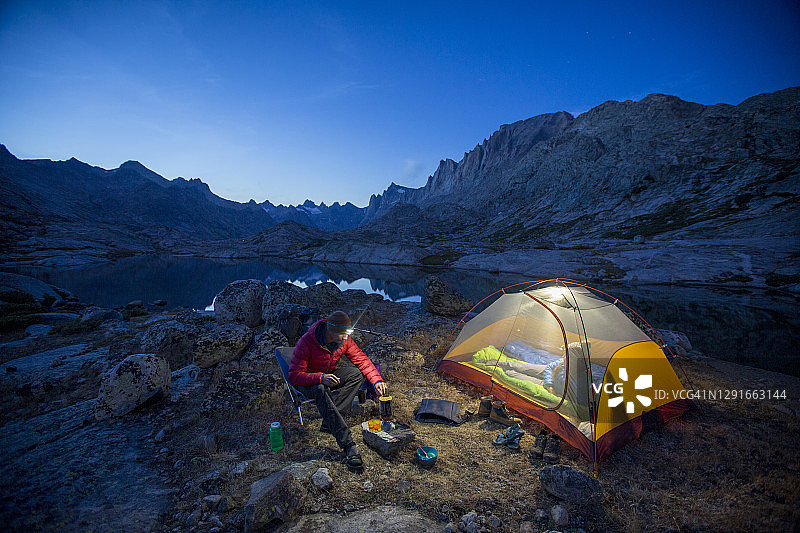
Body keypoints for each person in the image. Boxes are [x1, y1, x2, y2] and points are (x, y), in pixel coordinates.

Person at [288, 310, 388, 471]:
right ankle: (348, 444)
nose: (345, 338)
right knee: (320, 388)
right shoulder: (307, 342)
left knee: (356, 374)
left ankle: (332, 421)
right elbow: (294, 375)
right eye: (342, 334)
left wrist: (376, 381)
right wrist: (320, 378)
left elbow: (362, 360)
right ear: (331, 331)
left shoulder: (344, 341)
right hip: (308, 381)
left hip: (327, 377)